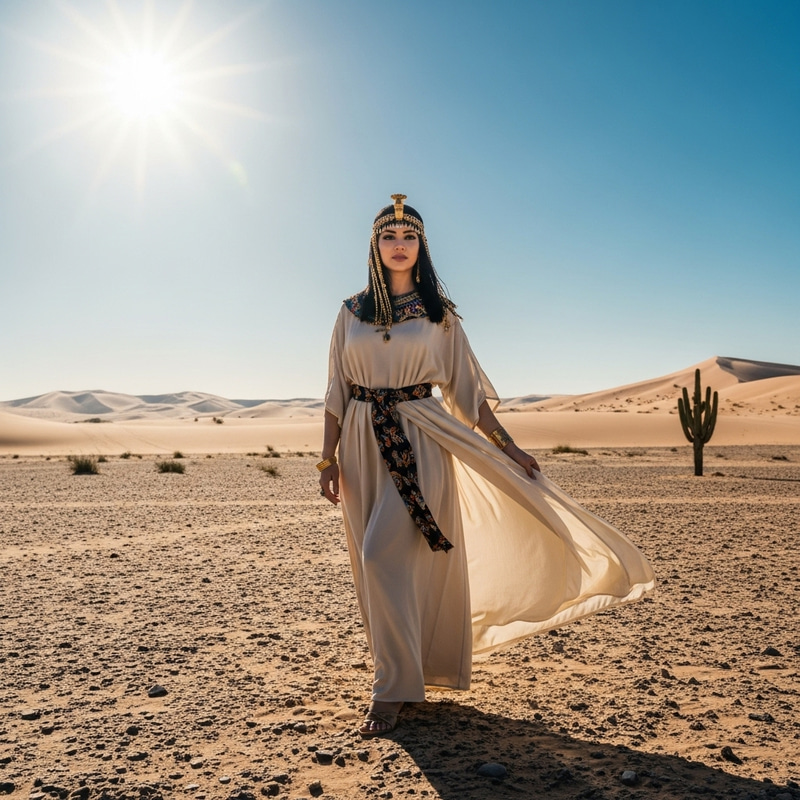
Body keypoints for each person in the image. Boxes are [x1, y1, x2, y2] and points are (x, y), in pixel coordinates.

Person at [318, 194, 655, 737]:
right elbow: (336, 389)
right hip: (360, 441)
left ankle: (390, 689)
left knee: (382, 557)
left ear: (422, 245)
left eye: (409, 236)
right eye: (389, 236)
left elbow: (469, 397)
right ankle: (407, 672)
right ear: (374, 246)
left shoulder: (439, 316)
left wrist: (510, 448)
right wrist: (327, 458)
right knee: (376, 566)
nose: (399, 244)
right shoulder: (350, 311)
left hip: (421, 440)